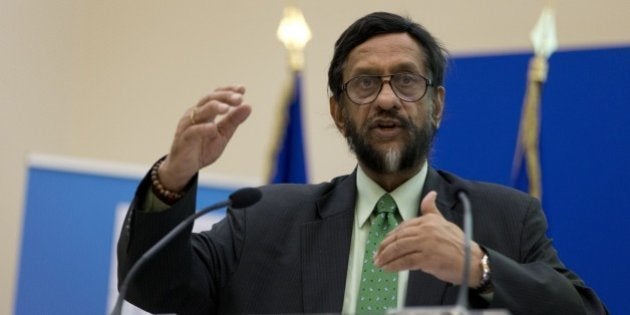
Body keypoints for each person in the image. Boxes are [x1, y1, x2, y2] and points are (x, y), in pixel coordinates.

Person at [117, 12, 607, 315]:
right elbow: (154, 287)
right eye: (365, 84)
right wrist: (174, 177)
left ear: (437, 104)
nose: (387, 99)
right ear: (338, 110)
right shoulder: (264, 218)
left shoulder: (505, 218)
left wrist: (476, 266)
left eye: (407, 81)